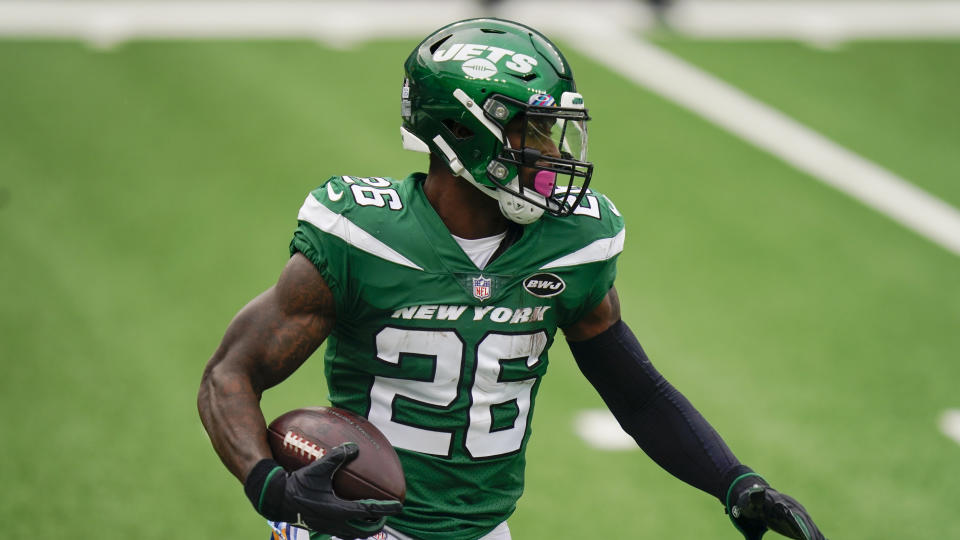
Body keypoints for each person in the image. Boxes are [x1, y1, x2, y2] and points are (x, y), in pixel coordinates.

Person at [197, 18, 828, 540]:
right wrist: (272, 488)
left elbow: (634, 392)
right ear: (464, 133)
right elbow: (231, 374)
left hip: (484, 530)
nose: (553, 153)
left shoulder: (573, 243)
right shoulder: (361, 235)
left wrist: (736, 481)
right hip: (355, 526)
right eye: (531, 130)